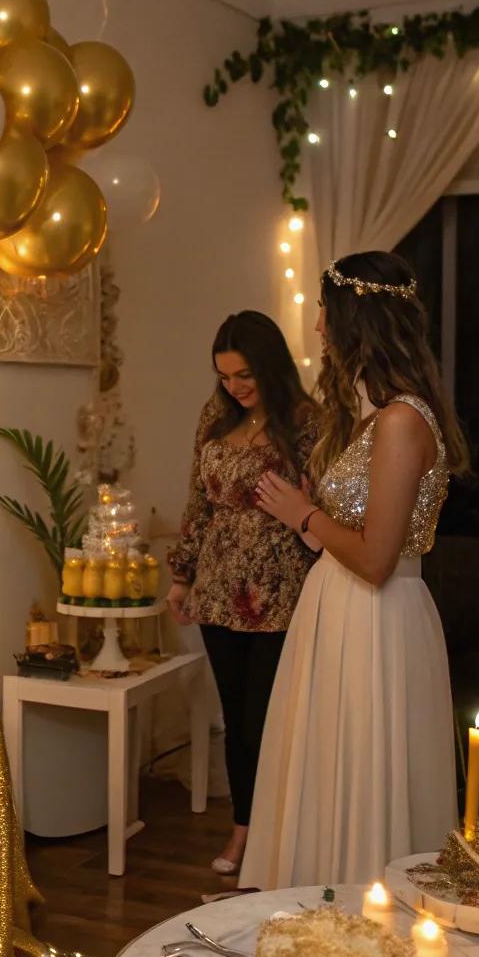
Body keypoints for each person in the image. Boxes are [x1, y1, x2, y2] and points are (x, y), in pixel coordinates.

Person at [241, 251, 468, 891]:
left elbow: (375, 559)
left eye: (324, 310)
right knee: (329, 766)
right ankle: (322, 906)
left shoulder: (400, 421)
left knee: (366, 767)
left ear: (355, 318)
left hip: (374, 614)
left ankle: (365, 912)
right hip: (337, 608)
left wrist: (303, 514)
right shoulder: (375, 414)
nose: (316, 326)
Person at [167, 311, 319, 877]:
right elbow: (197, 502)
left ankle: (281, 834)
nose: (235, 386)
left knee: (270, 719)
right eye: (225, 376)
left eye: (245, 374)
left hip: (281, 591)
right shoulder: (215, 417)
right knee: (236, 720)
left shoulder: (307, 422)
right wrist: (181, 577)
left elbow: (322, 505)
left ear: (273, 365)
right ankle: (242, 830)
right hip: (218, 591)